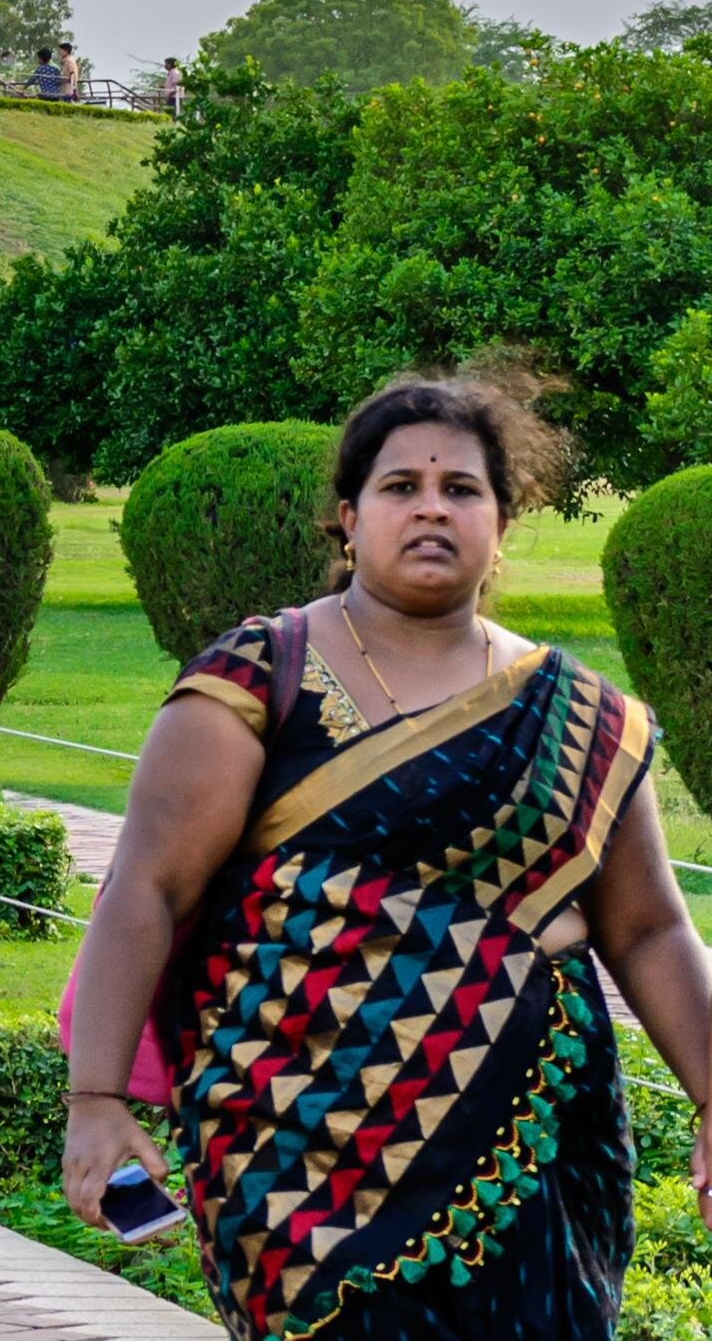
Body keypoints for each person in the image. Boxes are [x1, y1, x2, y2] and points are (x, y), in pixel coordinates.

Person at [63, 378, 712, 1332]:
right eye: (400, 485)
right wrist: (95, 1096)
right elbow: (146, 888)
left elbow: (649, 928)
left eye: (462, 489)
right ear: (348, 518)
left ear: (502, 522)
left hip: (528, 1145)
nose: (431, 508)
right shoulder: (261, 674)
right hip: (292, 1147)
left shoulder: (581, 714)